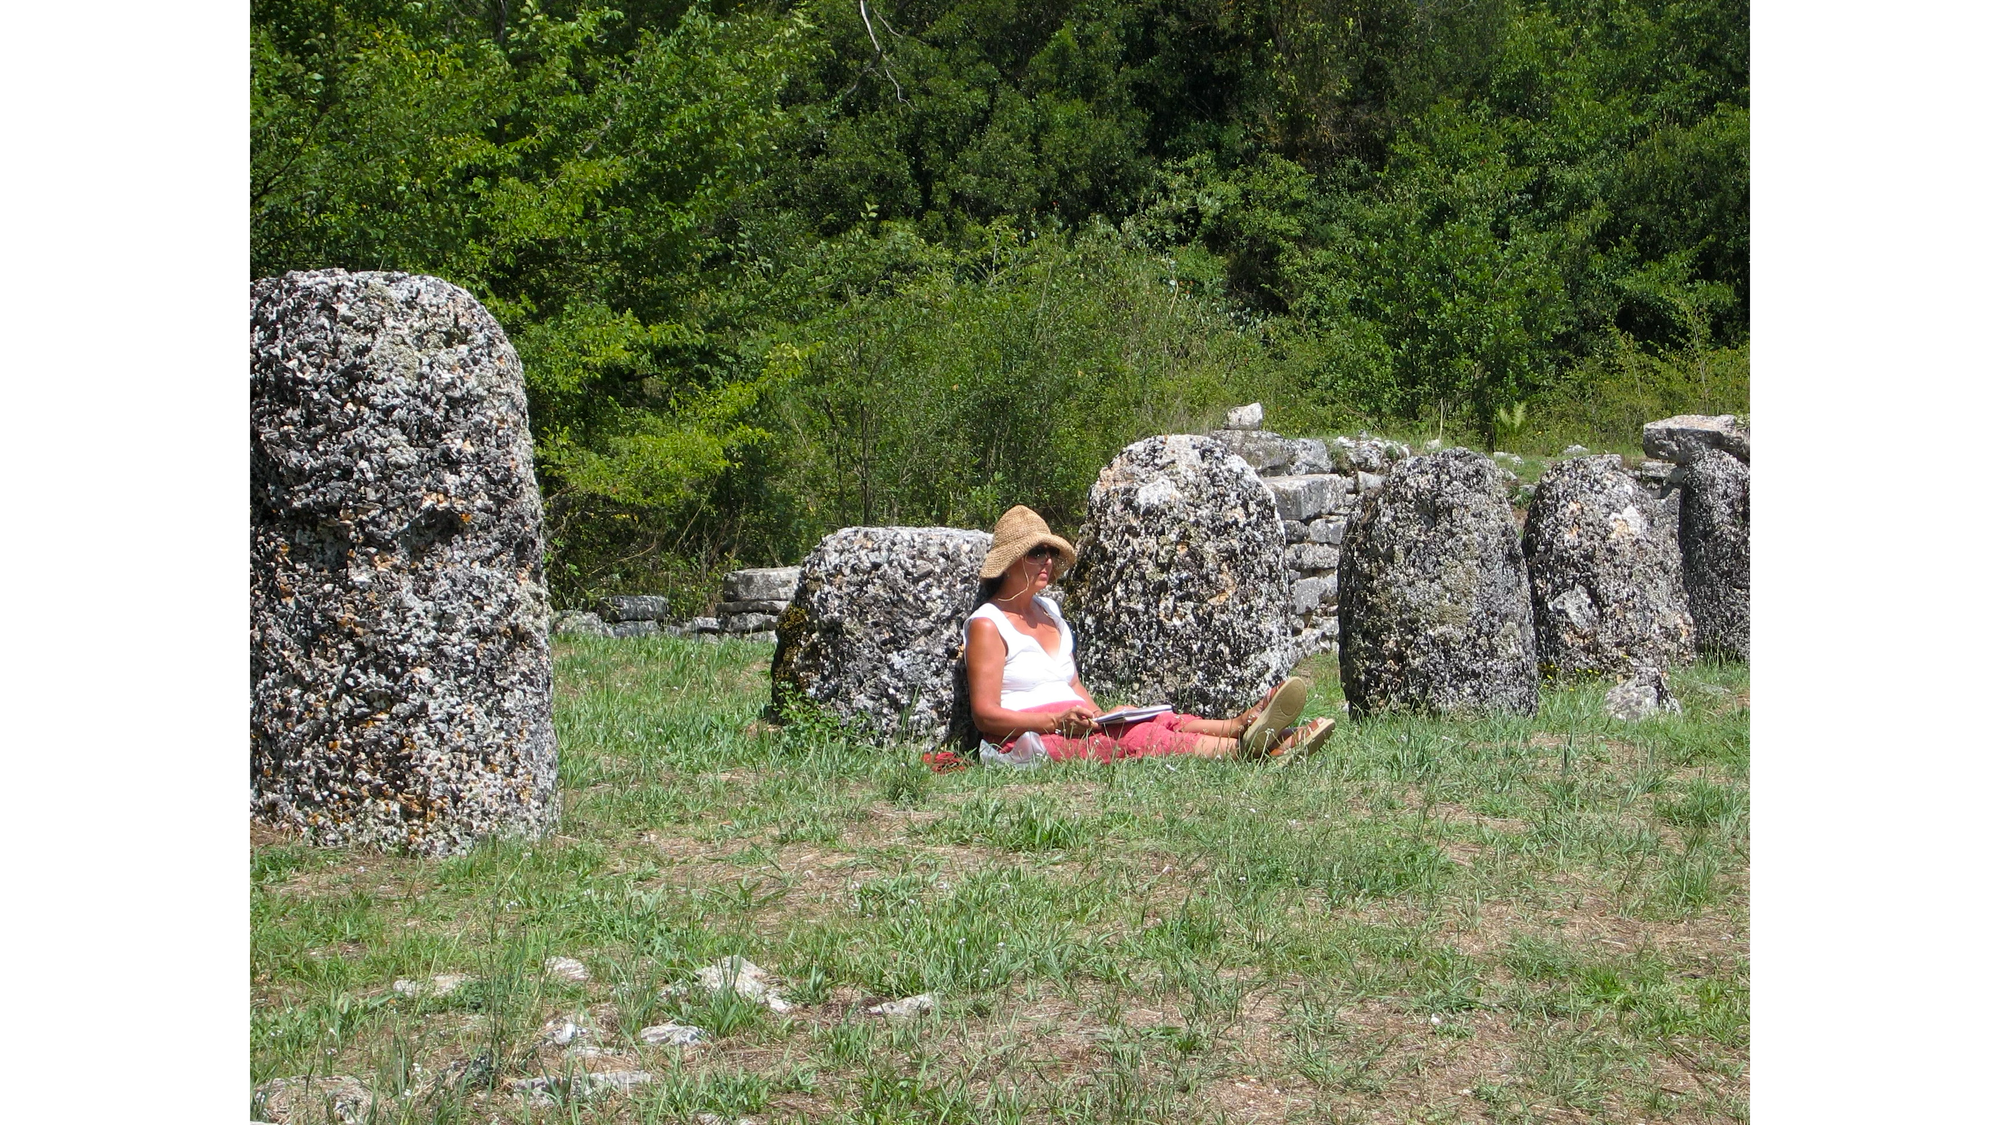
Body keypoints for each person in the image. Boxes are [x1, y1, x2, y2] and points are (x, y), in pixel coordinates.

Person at [964, 506, 1335, 762]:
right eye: (1036, 553)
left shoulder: (1051, 613)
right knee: (1134, 740)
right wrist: (1054, 723)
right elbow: (985, 716)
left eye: (1049, 551)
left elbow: (1071, 684)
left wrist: (1101, 715)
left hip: (1072, 724)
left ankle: (1238, 726)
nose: (1047, 560)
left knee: (1141, 719)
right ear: (1010, 561)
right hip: (1030, 738)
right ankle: (1253, 750)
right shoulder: (988, 623)